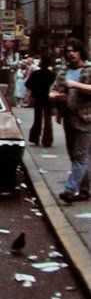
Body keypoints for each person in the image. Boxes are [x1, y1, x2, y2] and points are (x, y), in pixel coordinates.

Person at [50, 37, 91, 204]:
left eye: (74, 50)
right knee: (75, 156)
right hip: (68, 117)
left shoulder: (88, 69)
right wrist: (56, 96)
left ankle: (69, 190)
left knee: (80, 156)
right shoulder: (63, 71)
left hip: (86, 118)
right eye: (68, 51)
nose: (71, 54)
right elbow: (52, 90)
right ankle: (85, 190)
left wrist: (74, 85)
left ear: (80, 52)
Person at [26, 52, 55, 147]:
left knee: (37, 118)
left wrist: (35, 89)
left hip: (38, 97)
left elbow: (28, 84)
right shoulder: (52, 75)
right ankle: (47, 140)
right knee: (48, 119)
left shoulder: (36, 74)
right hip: (48, 98)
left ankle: (35, 138)